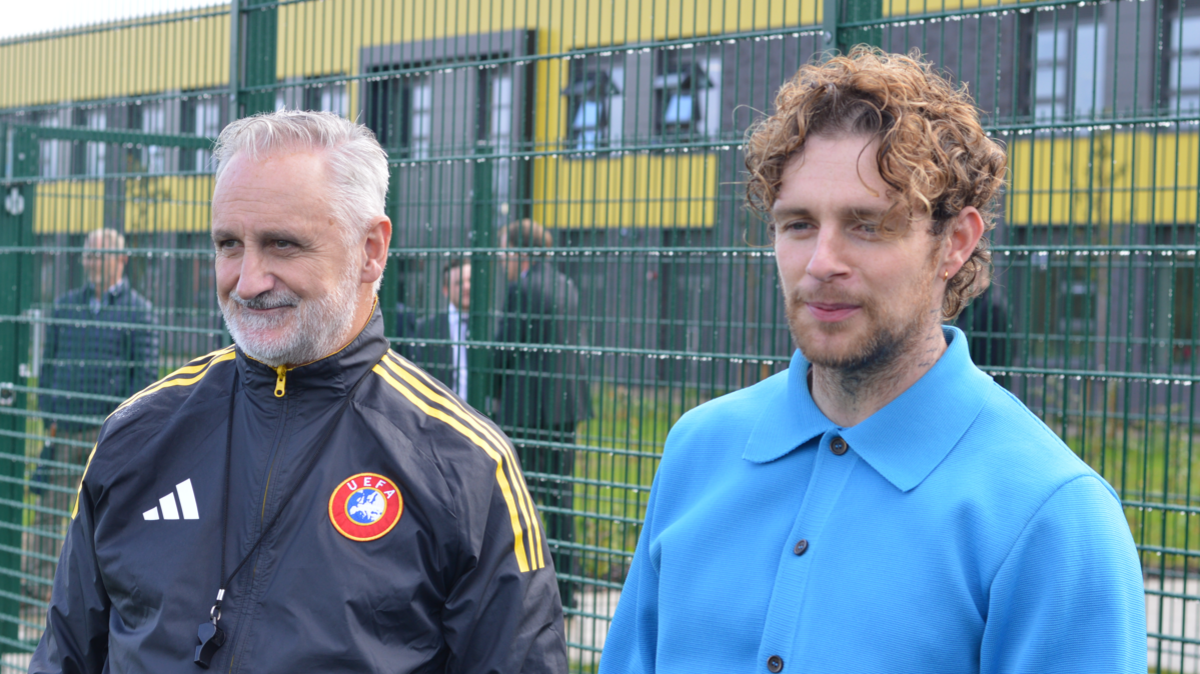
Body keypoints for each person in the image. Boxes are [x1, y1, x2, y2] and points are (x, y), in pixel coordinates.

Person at [600, 48, 1145, 673]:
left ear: (956, 244)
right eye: (798, 224)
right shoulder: (697, 450)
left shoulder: (1051, 514)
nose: (820, 261)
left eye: (867, 225)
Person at [31, 110, 565, 673]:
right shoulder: (137, 435)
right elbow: (65, 656)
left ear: (372, 250)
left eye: (282, 245)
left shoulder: (464, 465)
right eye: (229, 244)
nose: (247, 279)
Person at [30, 227, 158, 590]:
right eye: (87, 254)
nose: (90, 262)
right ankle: (38, 583)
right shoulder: (66, 305)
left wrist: (120, 431)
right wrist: (49, 413)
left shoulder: (140, 313)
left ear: (121, 259)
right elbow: (49, 365)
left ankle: (91, 587)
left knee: (99, 516)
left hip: (104, 436)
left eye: (98, 255)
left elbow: (144, 380)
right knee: (49, 511)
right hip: (64, 428)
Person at [495, 219, 591, 609]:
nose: (501, 260)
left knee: (521, 498)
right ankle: (568, 586)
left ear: (520, 252)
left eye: (504, 250)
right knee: (560, 495)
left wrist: (492, 390)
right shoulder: (563, 282)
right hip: (565, 404)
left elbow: (506, 346)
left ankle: (531, 589)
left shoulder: (525, 288)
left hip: (530, 408)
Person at [409, 259, 472, 400]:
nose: (467, 286)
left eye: (470, 280)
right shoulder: (426, 329)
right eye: (459, 283)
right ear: (445, 290)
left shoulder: (493, 323)